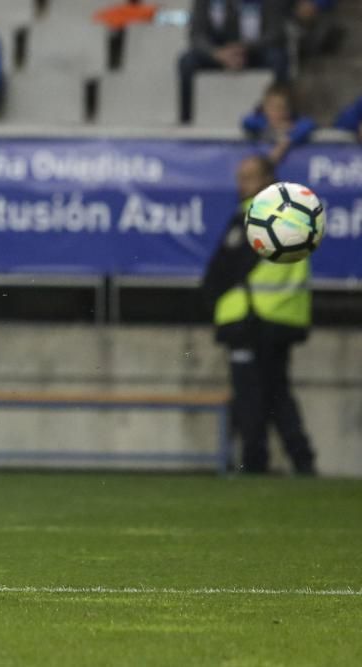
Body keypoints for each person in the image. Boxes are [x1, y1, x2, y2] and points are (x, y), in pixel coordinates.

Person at [200, 156, 316, 475]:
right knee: (279, 394)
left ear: (268, 178)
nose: (242, 185)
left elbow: (228, 268)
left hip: (251, 319)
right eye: (240, 178)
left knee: (251, 397)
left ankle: (254, 464)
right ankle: (302, 460)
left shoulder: (254, 215)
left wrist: (208, 297)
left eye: (249, 178)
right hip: (285, 317)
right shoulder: (297, 215)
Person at [178, 0, 290, 124]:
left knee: (279, 58)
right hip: (219, 53)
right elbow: (196, 35)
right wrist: (217, 53)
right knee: (186, 61)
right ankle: (186, 118)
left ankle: (280, 114)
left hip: (254, 51)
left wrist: (244, 48)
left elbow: (276, 33)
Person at [241, 82, 317, 164]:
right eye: (272, 107)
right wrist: (269, 127)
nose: (276, 112)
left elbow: (309, 124)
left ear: (290, 110)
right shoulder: (260, 121)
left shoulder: (297, 124)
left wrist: (286, 142)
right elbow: (247, 121)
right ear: (264, 107)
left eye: (281, 108)